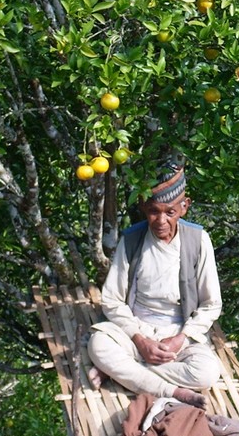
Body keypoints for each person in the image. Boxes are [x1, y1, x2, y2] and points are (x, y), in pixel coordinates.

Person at [87, 162, 222, 409]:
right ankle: (172, 391)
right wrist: (140, 340)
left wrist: (181, 338)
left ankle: (123, 370)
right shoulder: (132, 240)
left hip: (177, 334)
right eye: (153, 212)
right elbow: (112, 299)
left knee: (207, 372)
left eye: (170, 212)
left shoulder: (198, 240)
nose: (160, 221)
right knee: (99, 345)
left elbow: (211, 304)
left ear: (184, 207)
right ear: (143, 207)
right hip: (136, 331)